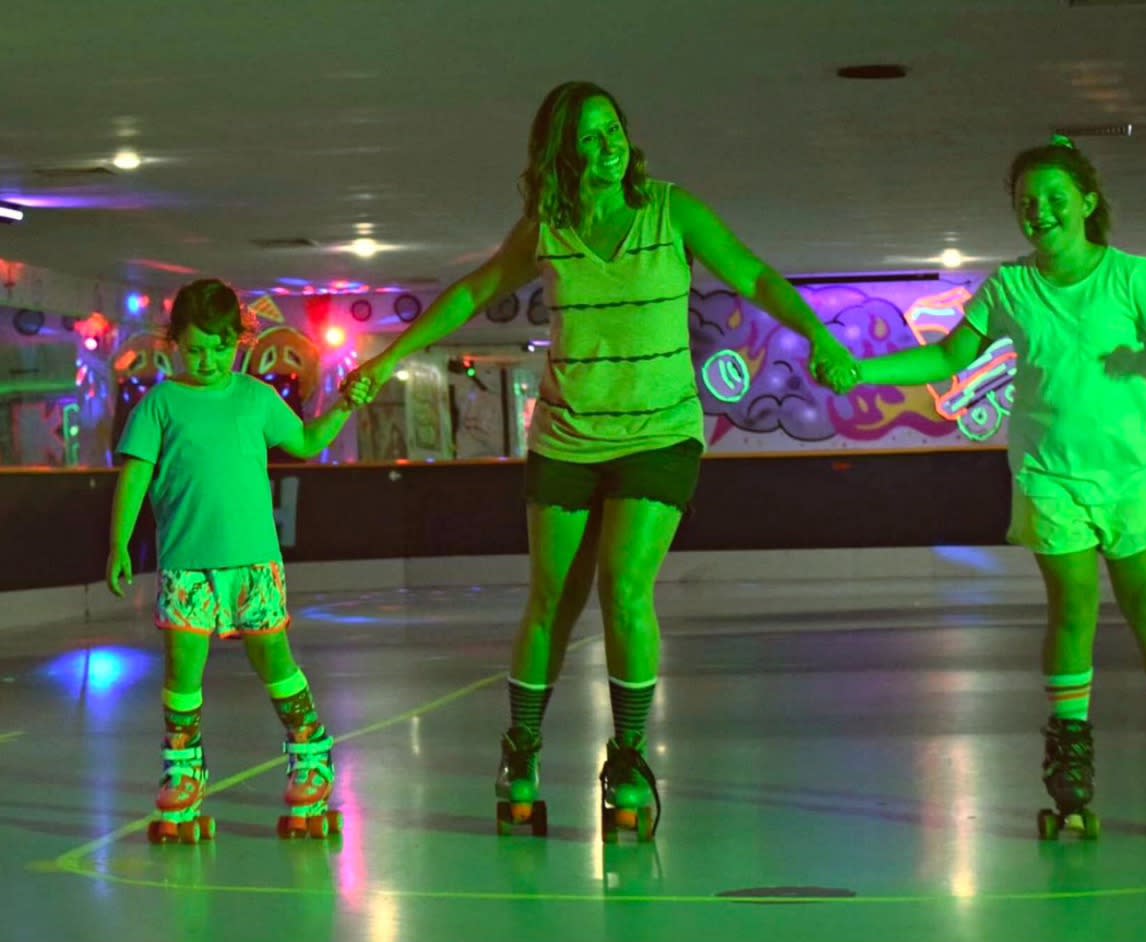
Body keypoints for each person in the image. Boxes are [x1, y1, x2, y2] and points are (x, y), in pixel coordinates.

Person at [346, 80, 854, 839]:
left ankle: (626, 756)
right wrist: (391, 358)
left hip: (660, 434)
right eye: (587, 136)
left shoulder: (670, 210)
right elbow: (474, 291)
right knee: (552, 597)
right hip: (567, 436)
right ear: (560, 154)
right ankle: (520, 749)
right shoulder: (544, 229)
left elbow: (750, 275)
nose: (607, 145)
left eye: (613, 129)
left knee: (623, 586)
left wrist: (819, 332)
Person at [823, 136, 1146, 837]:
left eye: (1052, 198)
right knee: (1071, 608)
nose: (1038, 211)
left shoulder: (1134, 279)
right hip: (1048, 477)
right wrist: (859, 371)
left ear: (1085, 201)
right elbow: (950, 355)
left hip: (1130, 475)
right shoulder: (1010, 288)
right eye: (1025, 203)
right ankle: (1069, 754)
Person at [106, 278, 370, 842]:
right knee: (183, 670)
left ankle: (311, 758)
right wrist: (119, 543)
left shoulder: (255, 398)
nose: (208, 360)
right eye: (196, 348)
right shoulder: (160, 404)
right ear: (174, 342)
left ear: (239, 341)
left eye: (220, 348)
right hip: (187, 564)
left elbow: (305, 441)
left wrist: (346, 403)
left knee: (273, 658)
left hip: (253, 563)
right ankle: (183, 773)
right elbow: (133, 479)